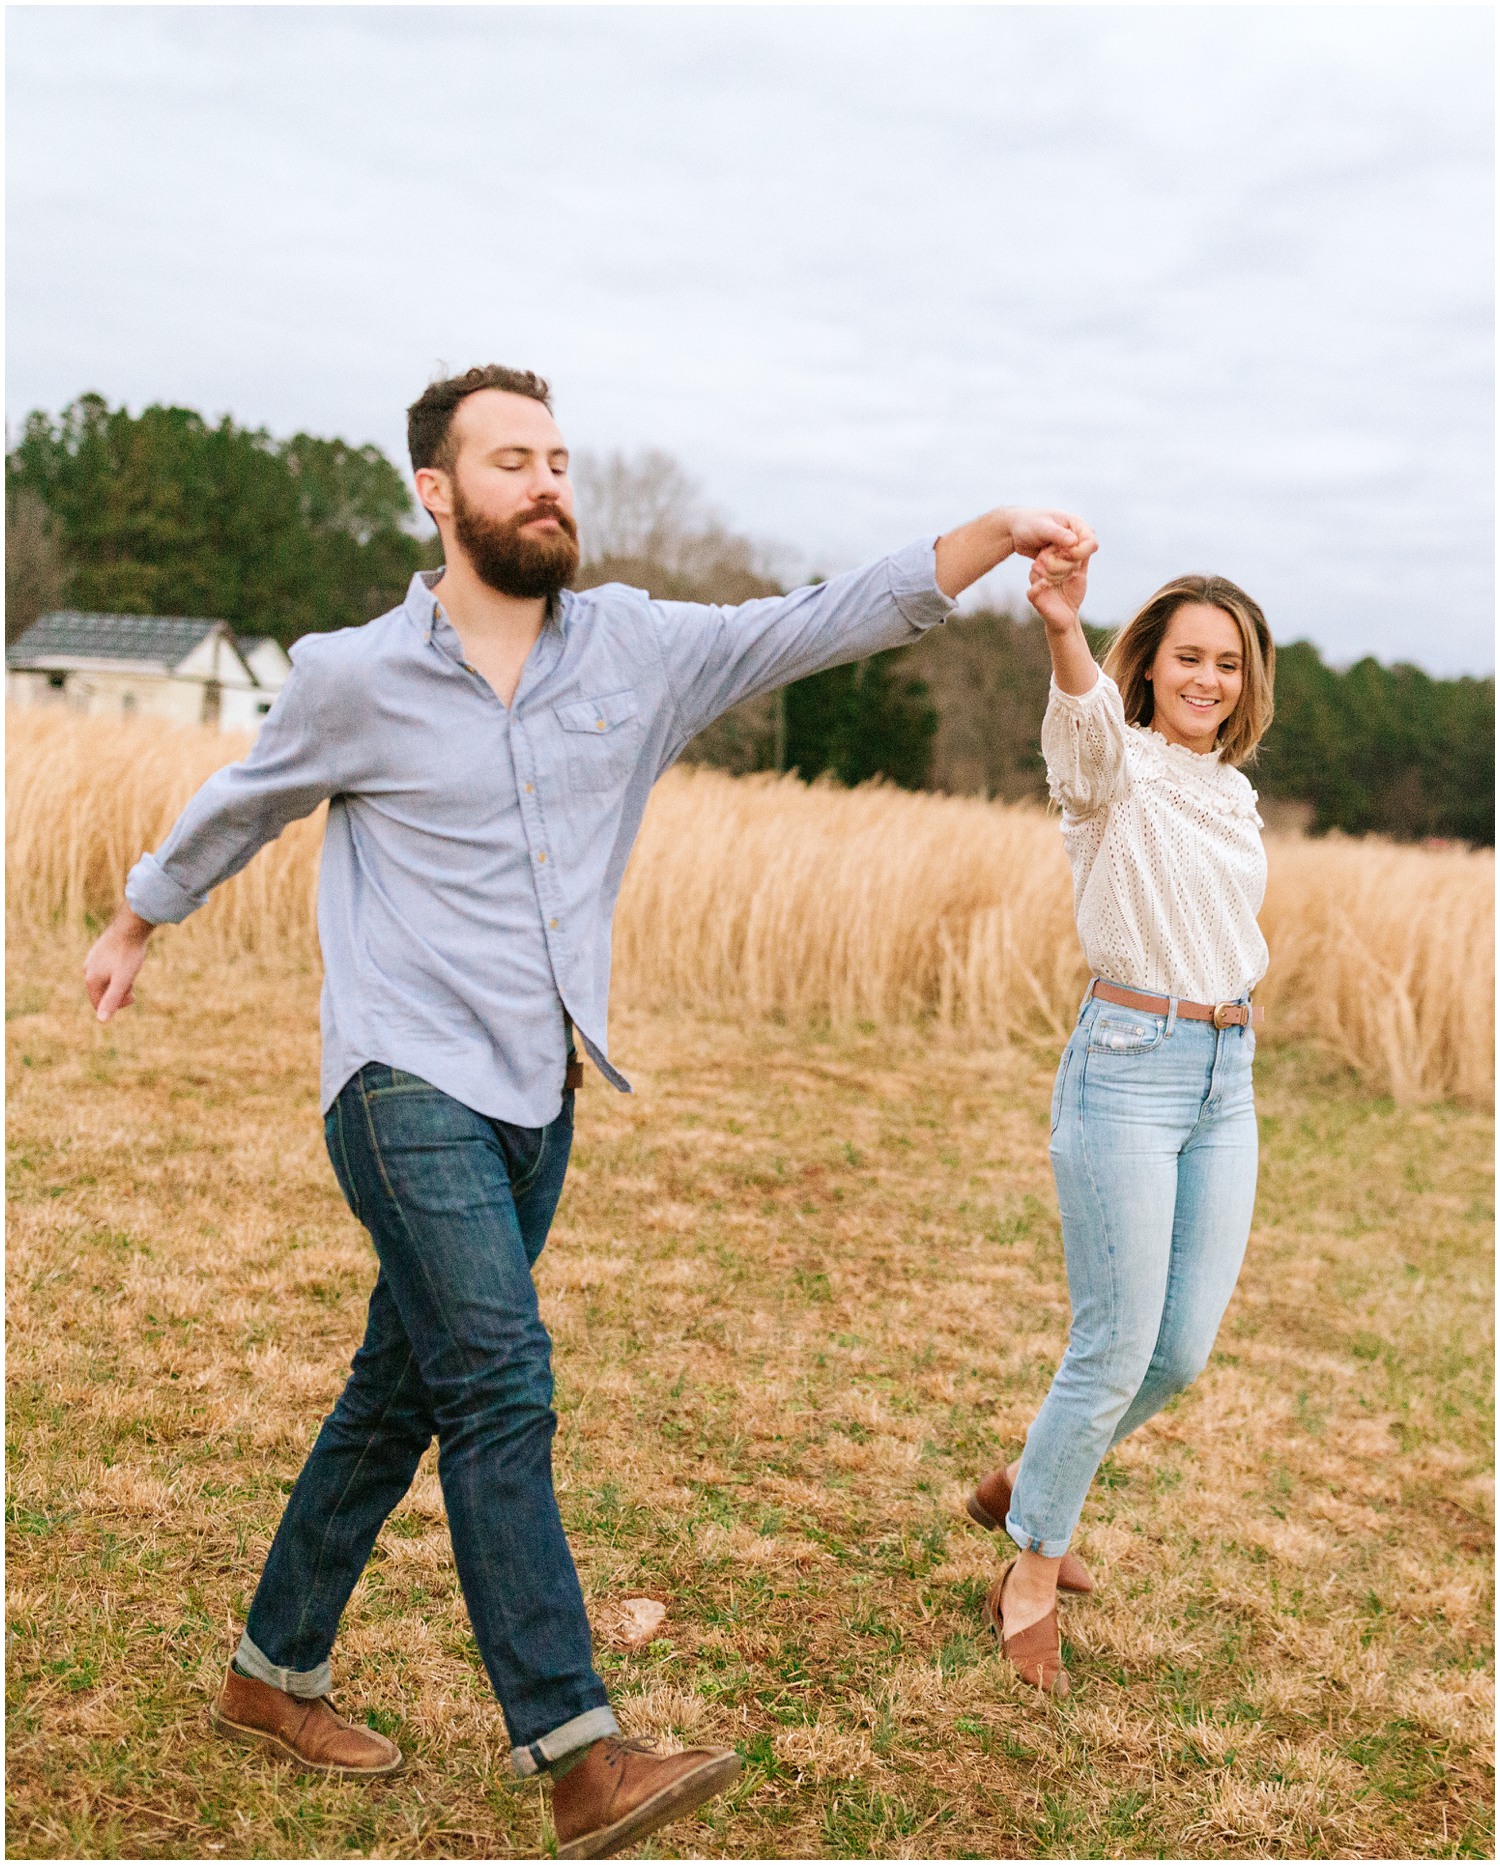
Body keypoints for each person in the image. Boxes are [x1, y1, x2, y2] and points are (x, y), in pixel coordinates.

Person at [84, 361, 1096, 1857]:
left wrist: (994, 530)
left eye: (558, 457)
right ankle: (579, 1749)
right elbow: (248, 797)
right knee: (500, 1377)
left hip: (536, 1091)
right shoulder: (354, 673)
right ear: (438, 493)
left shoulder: (633, 648)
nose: (548, 480)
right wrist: (137, 917)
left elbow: (819, 616)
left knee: (402, 1390)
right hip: (397, 1078)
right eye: (511, 461)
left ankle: (269, 1670)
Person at [964, 541, 1274, 1699]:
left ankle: (1027, 1480)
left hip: (1224, 1071)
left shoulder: (1231, 791)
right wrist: (1060, 626)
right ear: (1148, 668)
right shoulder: (1113, 767)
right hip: (1129, 1064)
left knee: (1181, 1349)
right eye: (1189, 657)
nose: (1209, 678)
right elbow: (1083, 719)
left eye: (1229, 664)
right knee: (1114, 1340)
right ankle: (1029, 1572)